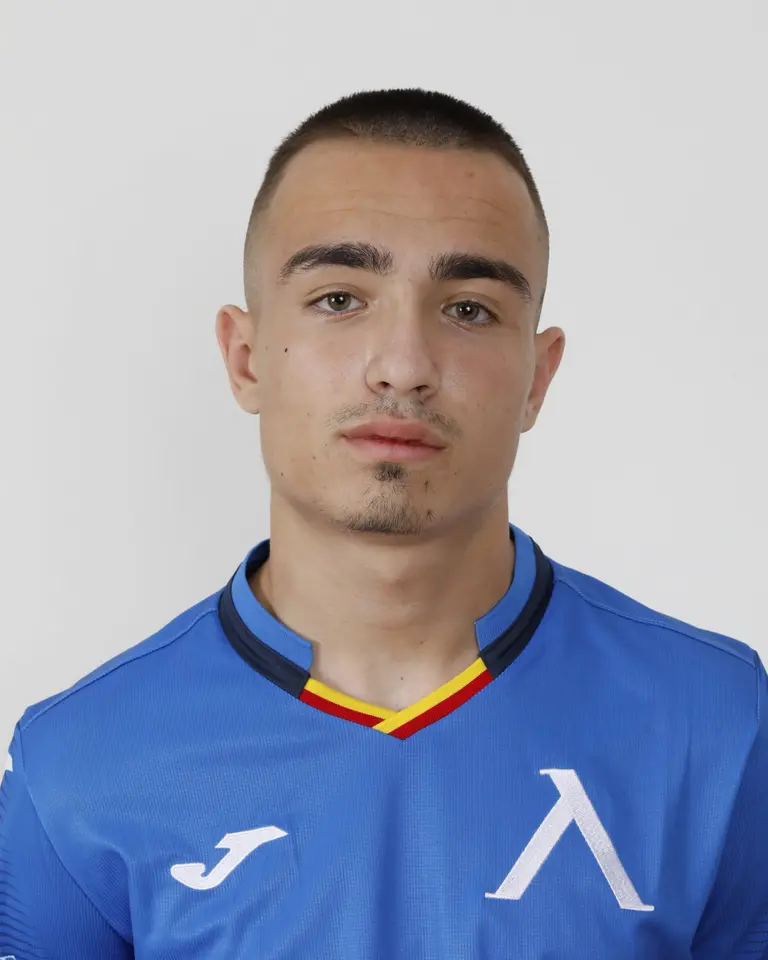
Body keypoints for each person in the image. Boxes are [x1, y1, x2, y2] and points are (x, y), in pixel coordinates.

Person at [0, 87, 765, 959]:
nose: (403, 365)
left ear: (538, 378)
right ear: (245, 359)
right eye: (339, 299)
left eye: (469, 308)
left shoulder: (721, 728)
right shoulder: (77, 771)